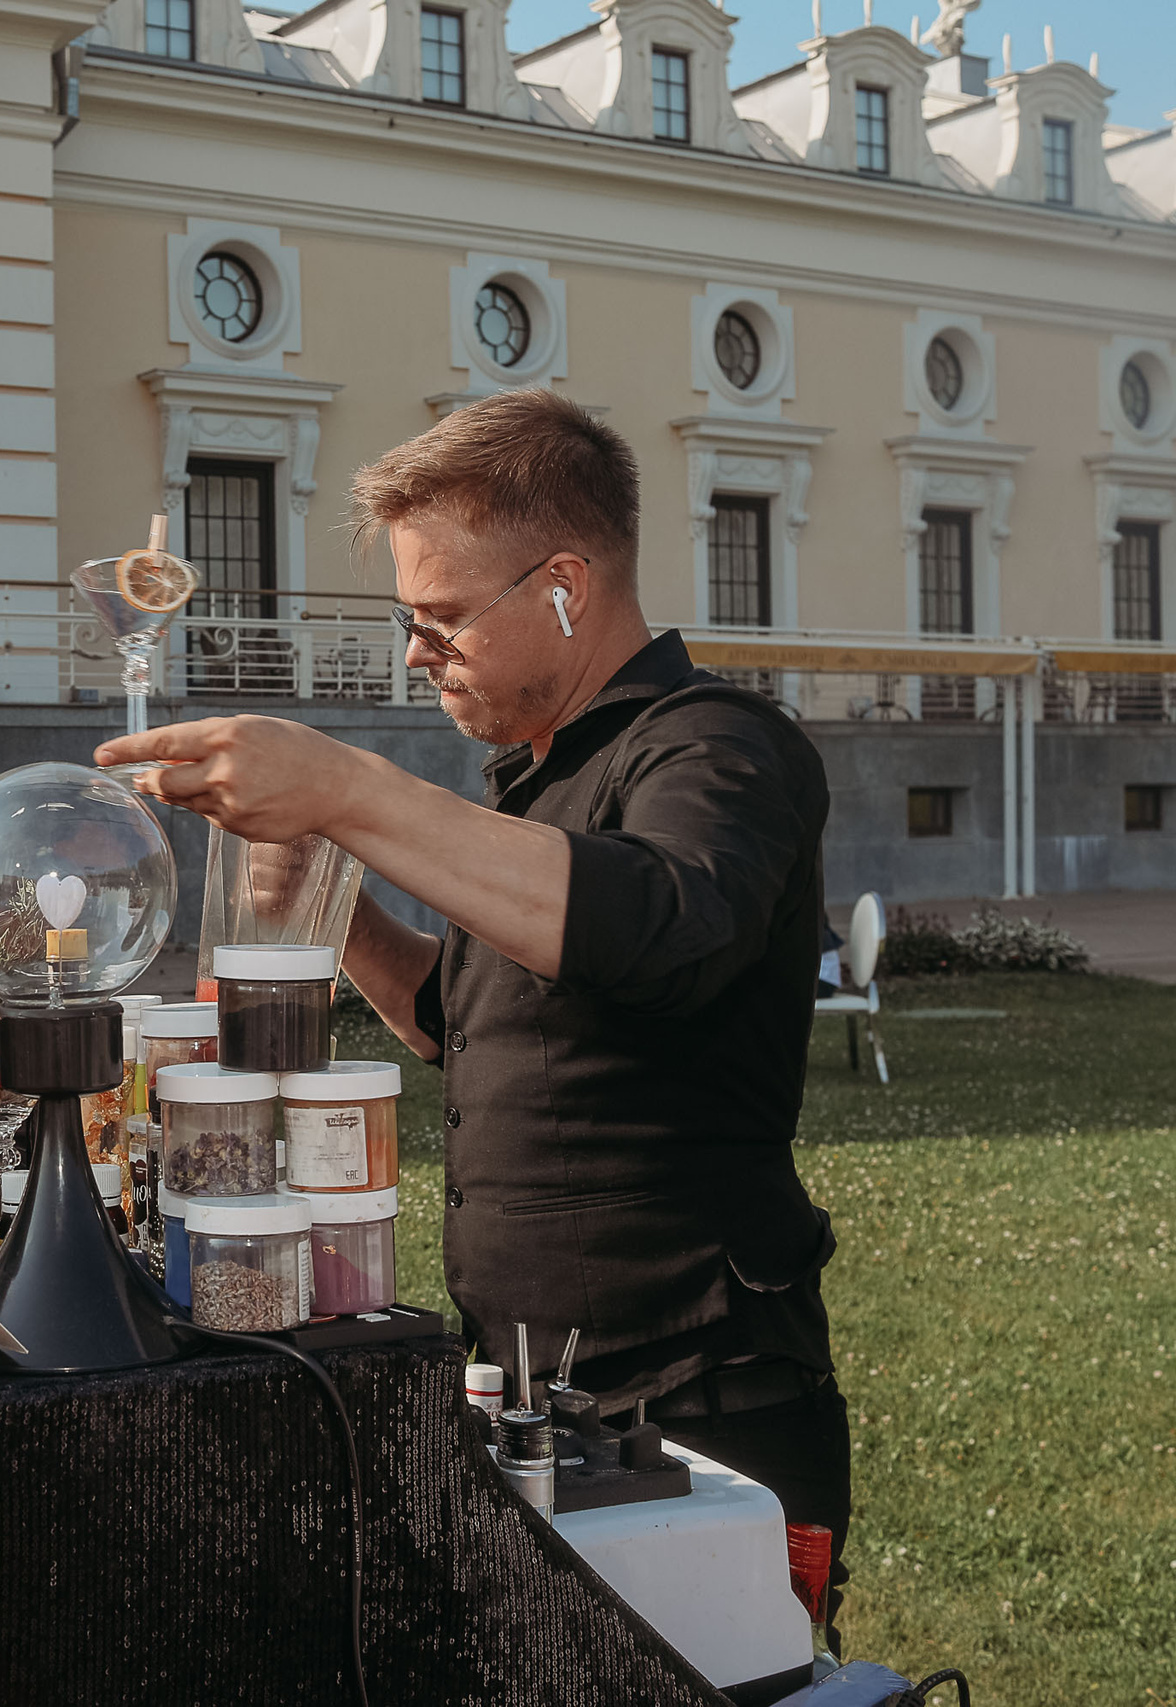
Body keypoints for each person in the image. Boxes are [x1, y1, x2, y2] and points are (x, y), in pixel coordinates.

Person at [98, 388, 849, 1644]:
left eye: (438, 617)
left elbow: (664, 925)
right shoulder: (534, 784)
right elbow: (464, 1020)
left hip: (694, 1395)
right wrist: (335, 908)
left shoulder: (720, 745)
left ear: (563, 584)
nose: (413, 652)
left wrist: (347, 784)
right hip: (528, 1380)